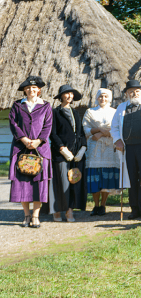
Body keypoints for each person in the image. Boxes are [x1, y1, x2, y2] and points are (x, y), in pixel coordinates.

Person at [9, 76, 52, 228]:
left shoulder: (46, 106)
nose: (31, 90)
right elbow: (13, 123)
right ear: (24, 90)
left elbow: (48, 126)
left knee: (39, 184)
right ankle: (26, 216)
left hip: (40, 150)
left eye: (34, 88)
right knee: (22, 184)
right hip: (21, 148)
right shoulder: (17, 105)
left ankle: (36, 216)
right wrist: (24, 139)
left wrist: (38, 141)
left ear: (38, 90)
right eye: (28, 88)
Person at [112, 80, 141, 221]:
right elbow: (114, 127)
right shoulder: (121, 108)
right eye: (131, 91)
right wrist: (117, 140)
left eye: (137, 91)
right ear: (127, 93)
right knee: (131, 179)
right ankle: (134, 209)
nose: (134, 93)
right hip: (128, 148)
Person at [50, 84, 87, 222]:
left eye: (71, 94)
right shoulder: (55, 112)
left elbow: (81, 133)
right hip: (61, 154)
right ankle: (57, 211)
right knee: (61, 183)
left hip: (76, 154)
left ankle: (69, 210)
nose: (69, 96)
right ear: (61, 96)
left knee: (73, 182)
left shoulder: (76, 112)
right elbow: (52, 133)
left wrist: (83, 147)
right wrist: (61, 148)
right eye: (66, 94)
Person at [82, 88, 120, 216]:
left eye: (105, 96)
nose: (103, 99)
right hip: (95, 148)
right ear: (97, 98)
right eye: (100, 96)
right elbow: (85, 128)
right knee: (95, 177)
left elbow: (117, 128)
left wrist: (103, 133)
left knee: (106, 177)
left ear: (109, 98)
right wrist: (97, 130)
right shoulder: (90, 112)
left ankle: (103, 205)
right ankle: (96, 205)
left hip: (109, 147)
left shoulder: (115, 112)